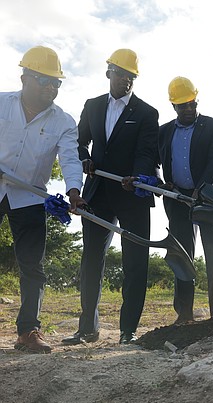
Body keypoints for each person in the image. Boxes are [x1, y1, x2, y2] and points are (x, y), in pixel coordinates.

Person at [63, 49, 159, 345]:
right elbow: (79, 142)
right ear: (108, 73)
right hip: (99, 193)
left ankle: (128, 330)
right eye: (121, 74)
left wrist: (138, 175)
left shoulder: (146, 113)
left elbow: (147, 154)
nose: (126, 81)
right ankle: (87, 329)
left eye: (131, 76)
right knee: (91, 259)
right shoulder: (92, 106)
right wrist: (85, 160)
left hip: (133, 195)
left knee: (135, 263)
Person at [0, 46, 85, 353]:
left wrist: (75, 190)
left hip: (30, 194)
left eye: (56, 83)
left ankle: (27, 332)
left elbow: (71, 159)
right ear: (24, 78)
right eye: (43, 80)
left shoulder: (63, 121)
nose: (51, 87)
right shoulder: (1, 103)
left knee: (32, 266)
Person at [157, 77, 213, 323]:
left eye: (191, 104)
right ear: (173, 107)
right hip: (178, 199)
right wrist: (160, 182)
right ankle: (184, 314)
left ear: (196, 101)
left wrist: (202, 189)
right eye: (182, 106)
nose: (188, 109)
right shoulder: (164, 131)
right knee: (181, 253)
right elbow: (153, 160)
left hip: (210, 197)